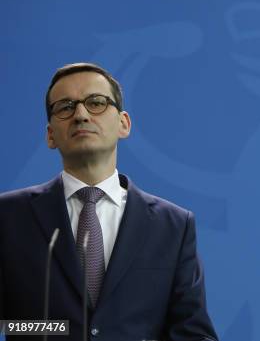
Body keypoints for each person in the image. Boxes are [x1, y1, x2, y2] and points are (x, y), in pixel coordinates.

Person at [0, 63, 218, 341]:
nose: (80, 115)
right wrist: (53, 329)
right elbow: (9, 324)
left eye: (96, 103)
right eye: (65, 107)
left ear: (123, 124)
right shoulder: (9, 216)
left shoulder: (174, 226)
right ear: (50, 135)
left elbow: (192, 333)